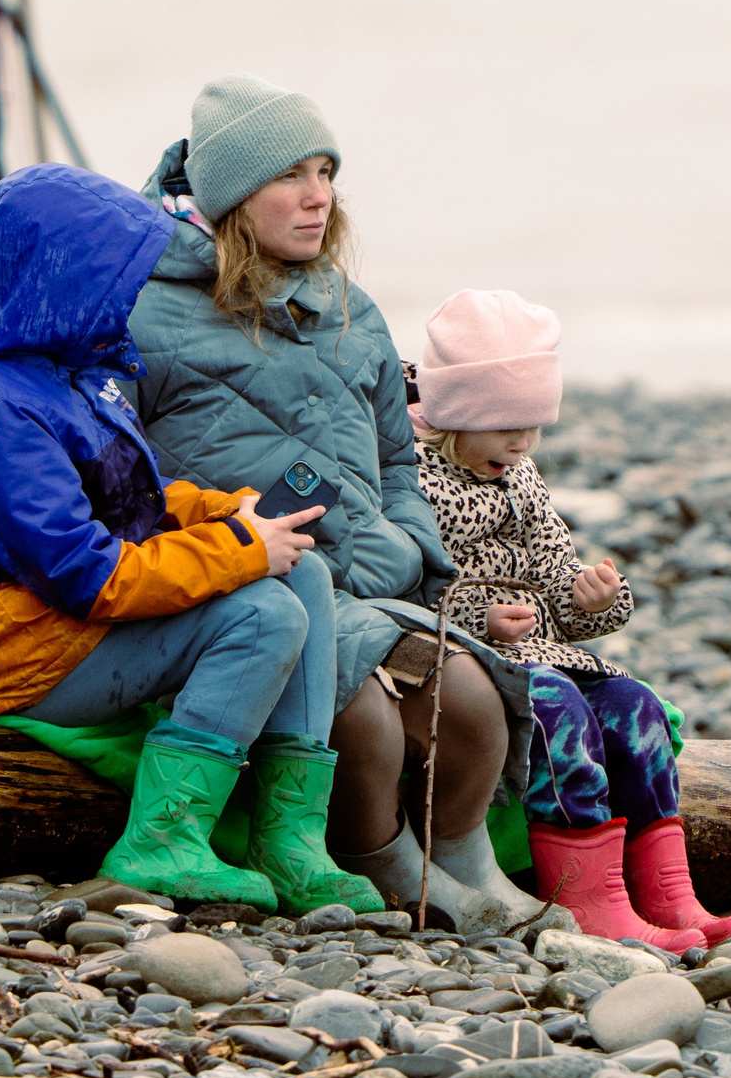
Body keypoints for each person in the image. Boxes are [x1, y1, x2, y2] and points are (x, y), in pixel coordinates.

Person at [127, 75, 568, 936]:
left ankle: (463, 857)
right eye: (290, 174)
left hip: (371, 576)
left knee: (474, 700)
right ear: (229, 195)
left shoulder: (348, 308)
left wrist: (404, 538)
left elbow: (399, 460)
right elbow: (126, 481)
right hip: (254, 586)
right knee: (362, 715)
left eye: (325, 169)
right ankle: (383, 866)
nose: (317, 194)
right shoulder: (148, 312)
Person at [0, 163, 379, 914]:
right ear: (59, 283)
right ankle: (163, 838)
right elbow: (88, 573)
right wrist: (240, 550)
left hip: (59, 618)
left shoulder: (82, 370)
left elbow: (131, 496)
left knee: (302, 577)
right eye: (117, 280)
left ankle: (289, 838)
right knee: (262, 613)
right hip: (9, 640)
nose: (131, 296)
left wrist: (221, 511)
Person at [412, 289, 731, 952]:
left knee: (635, 704)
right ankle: (589, 900)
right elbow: (402, 586)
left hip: (541, 649)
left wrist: (594, 599)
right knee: (558, 709)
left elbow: (559, 592)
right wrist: (480, 618)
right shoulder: (415, 478)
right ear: (455, 413)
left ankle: (670, 893)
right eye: (504, 425)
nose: (522, 442)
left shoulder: (521, 475)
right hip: (461, 657)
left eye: (535, 427)